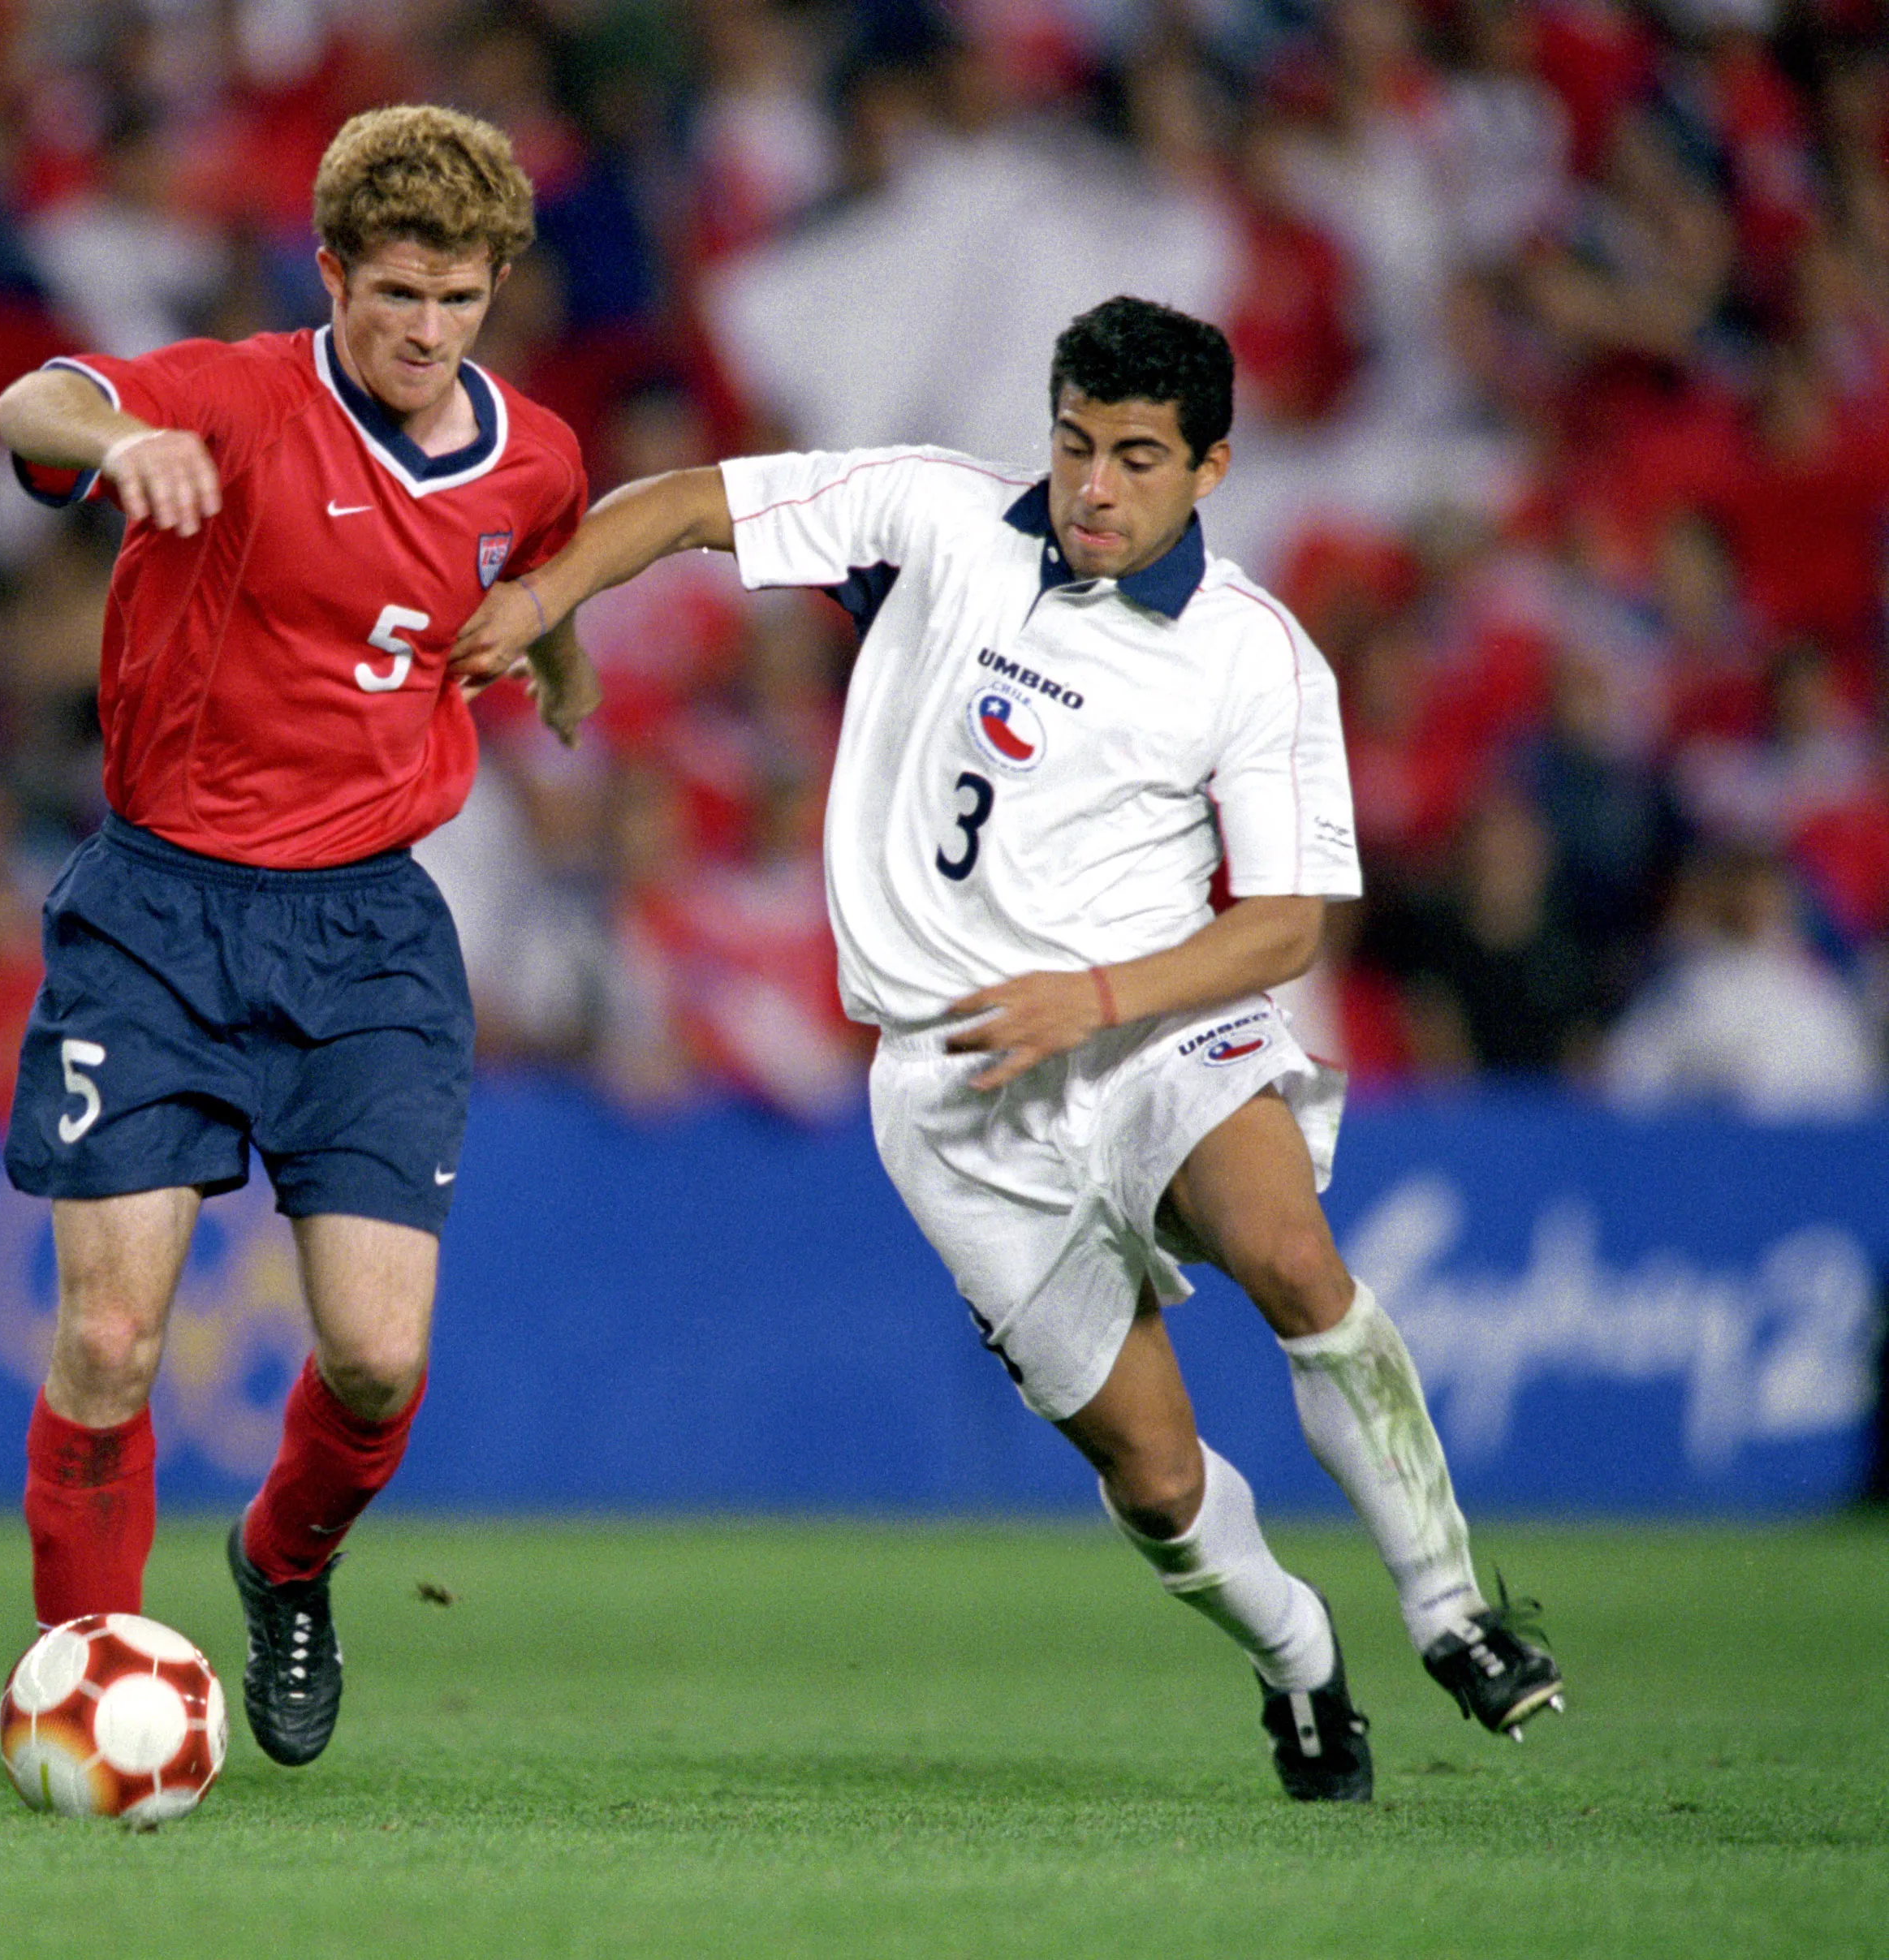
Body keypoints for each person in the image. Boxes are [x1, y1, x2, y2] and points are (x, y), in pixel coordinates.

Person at [452, 295, 1559, 1802]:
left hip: (1156, 1021)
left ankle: (1451, 1609)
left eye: (1138, 458)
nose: (1095, 486)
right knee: (1157, 1479)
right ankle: (1301, 1656)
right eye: (1075, 443)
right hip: (952, 1083)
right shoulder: (937, 518)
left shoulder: (1257, 655)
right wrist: (542, 599)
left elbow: (1286, 925)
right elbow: (694, 502)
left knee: (1292, 1255)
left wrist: (1094, 997)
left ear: (1211, 469)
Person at [0, 105, 597, 1768]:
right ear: (331, 272)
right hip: (160, 914)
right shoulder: (241, 395)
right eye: (396, 291)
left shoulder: (534, 456)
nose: (426, 330)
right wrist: (117, 442)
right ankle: (80, 1686)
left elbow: (538, 560)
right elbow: (33, 402)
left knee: (379, 1360)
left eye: (458, 298)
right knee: (108, 1337)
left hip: (371, 930)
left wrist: (555, 654)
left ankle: (283, 1561)